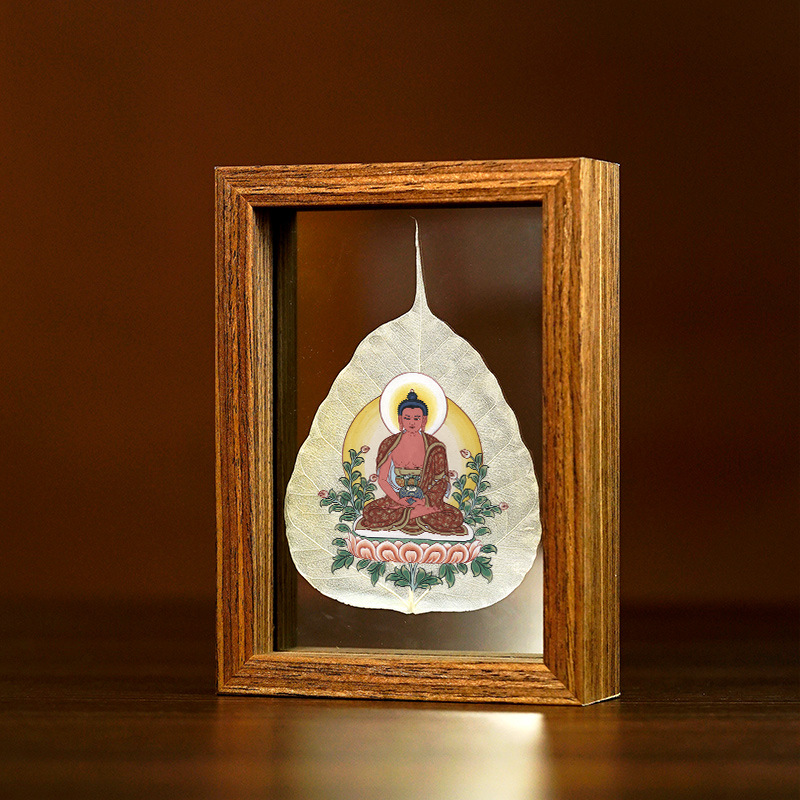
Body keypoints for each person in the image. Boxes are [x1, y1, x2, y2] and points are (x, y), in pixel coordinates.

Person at [357, 390, 466, 535]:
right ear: (400, 420)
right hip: (396, 499)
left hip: (426, 501)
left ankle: (409, 515)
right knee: (370, 512)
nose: (412, 422)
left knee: (455, 517)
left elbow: (441, 481)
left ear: (424, 420)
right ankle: (416, 515)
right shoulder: (389, 444)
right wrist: (398, 499)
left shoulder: (434, 446)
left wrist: (425, 501)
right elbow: (383, 479)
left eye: (417, 418)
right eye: (407, 418)